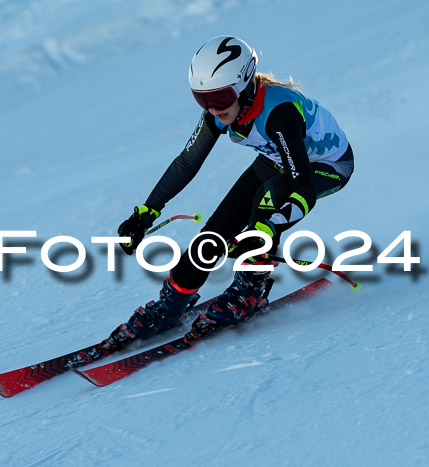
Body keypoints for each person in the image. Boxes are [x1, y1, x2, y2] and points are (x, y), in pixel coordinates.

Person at [103, 35, 354, 351]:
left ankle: (250, 289)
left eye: (220, 98)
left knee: (269, 201)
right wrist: (148, 211)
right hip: (276, 157)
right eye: (202, 99)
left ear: (245, 87)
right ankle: (172, 304)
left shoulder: (280, 114)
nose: (212, 109)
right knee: (215, 232)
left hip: (325, 166)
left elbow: (302, 189)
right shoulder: (223, 109)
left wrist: (265, 230)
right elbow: (186, 163)